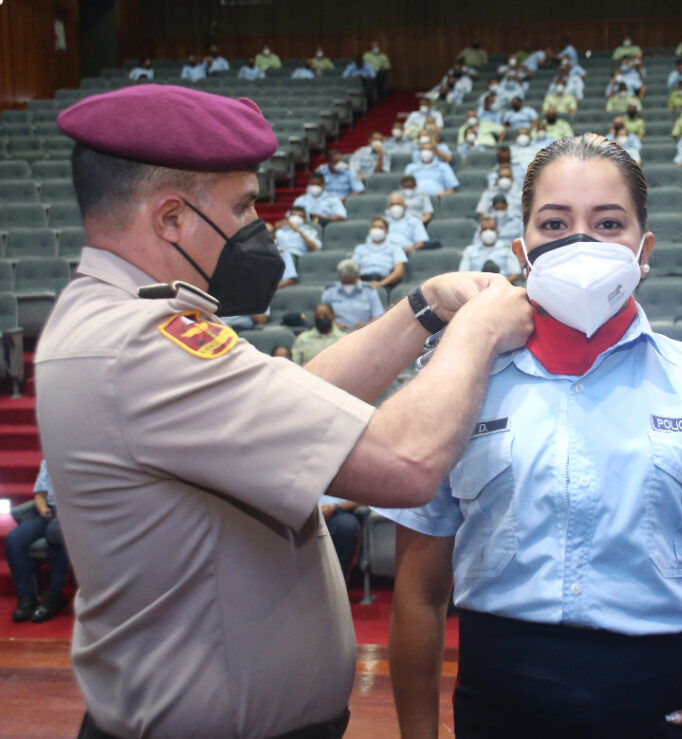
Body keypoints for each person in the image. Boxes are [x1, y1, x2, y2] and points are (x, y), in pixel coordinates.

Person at [45, 83, 533, 738]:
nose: (259, 225)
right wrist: (478, 328)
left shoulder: (110, 318)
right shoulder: (143, 344)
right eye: (243, 205)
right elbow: (405, 463)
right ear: (170, 219)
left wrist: (423, 308)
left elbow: (295, 398)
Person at [379, 133, 682, 739]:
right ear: (523, 250)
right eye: (555, 222)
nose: (581, 241)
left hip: (668, 706)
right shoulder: (461, 387)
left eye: (609, 222)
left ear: (643, 250)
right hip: (502, 706)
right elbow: (420, 593)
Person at [5, 459, 69, 623]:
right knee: (14, 539)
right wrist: (45, 511)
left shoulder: (82, 458)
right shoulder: (48, 461)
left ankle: (54, 596)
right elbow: (40, 496)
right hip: (48, 513)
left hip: (71, 514)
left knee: (54, 532)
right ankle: (27, 598)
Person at [321, 259, 385, 331]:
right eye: (345, 280)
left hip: (363, 332)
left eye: (351, 280)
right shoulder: (330, 291)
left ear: (357, 277)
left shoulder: (369, 291)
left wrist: (367, 325)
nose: (348, 282)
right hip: (336, 333)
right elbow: (322, 316)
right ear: (339, 277)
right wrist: (333, 325)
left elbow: (379, 316)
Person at [459, 217, 521, 282]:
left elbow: (515, 274)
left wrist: (500, 284)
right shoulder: (470, 251)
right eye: (484, 229)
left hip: (502, 287)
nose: (488, 232)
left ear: (497, 231)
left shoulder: (507, 249)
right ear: (480, 232)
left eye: (492, 229)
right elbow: (462, 274)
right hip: (476, 288)